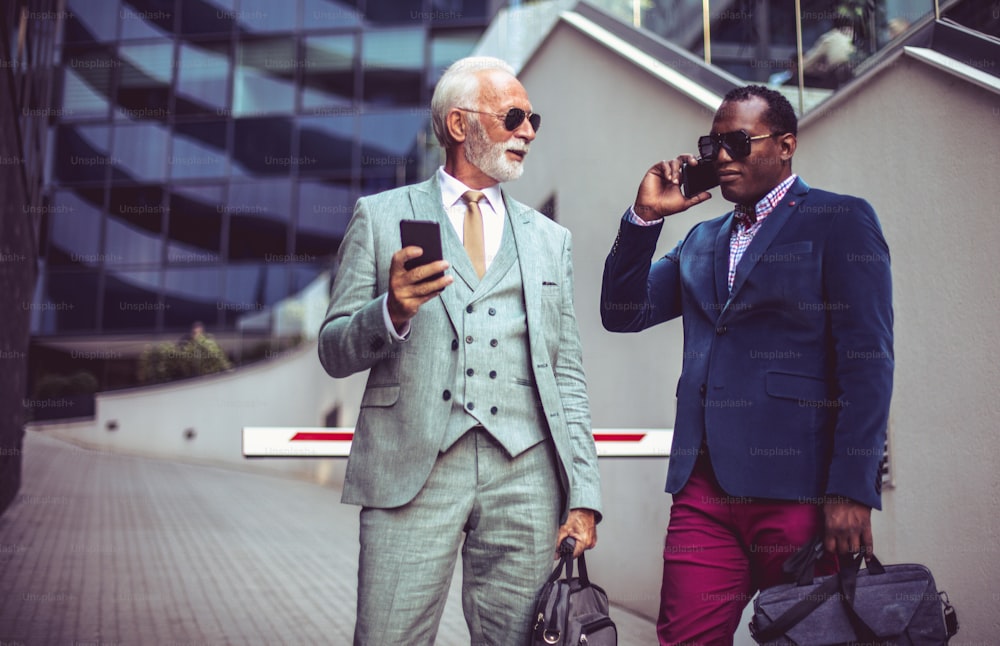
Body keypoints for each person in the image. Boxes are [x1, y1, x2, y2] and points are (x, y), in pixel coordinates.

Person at [318, 56, 601, 645]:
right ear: (458, 124)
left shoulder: (551, 239)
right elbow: (333, 350)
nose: (528, 131)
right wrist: (390, 311)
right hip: (410, 468)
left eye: (533, 119)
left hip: (526, 474)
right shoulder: (381, 216)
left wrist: (584, 495)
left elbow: (567, 372)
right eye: (514, 117)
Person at [600, 85, 892, 644]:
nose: (723, 157)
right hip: (703, 492)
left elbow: (868, 361)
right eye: (714, 145)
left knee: (808, 636)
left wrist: (853, 489)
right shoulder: (701, 240)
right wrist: (644, 218)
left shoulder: (840, 220)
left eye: (738, 142)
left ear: (786, 145)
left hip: (801, 491)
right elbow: (622, 312)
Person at [802, 15, 856, 89]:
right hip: (856, 73)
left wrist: (820, 70)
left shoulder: (829, 38)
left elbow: (806, 65)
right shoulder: (851, 40)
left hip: (838, 76)